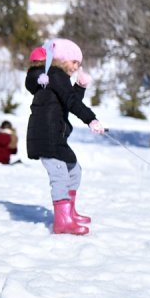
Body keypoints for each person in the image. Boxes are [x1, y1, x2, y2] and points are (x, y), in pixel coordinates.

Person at [25, 39, 104, 235]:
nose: (77, 66)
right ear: (62, 59)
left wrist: (80, 86)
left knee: (74, 169)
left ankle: (70, 212)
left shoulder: (59, 77)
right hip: (46, 134)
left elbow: (67, 99)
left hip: (55, 135)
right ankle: (62, 222)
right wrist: (91, 119)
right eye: (74, 62)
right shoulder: (55, 74)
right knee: (60, 174)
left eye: (79, 63)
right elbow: (70, 101)